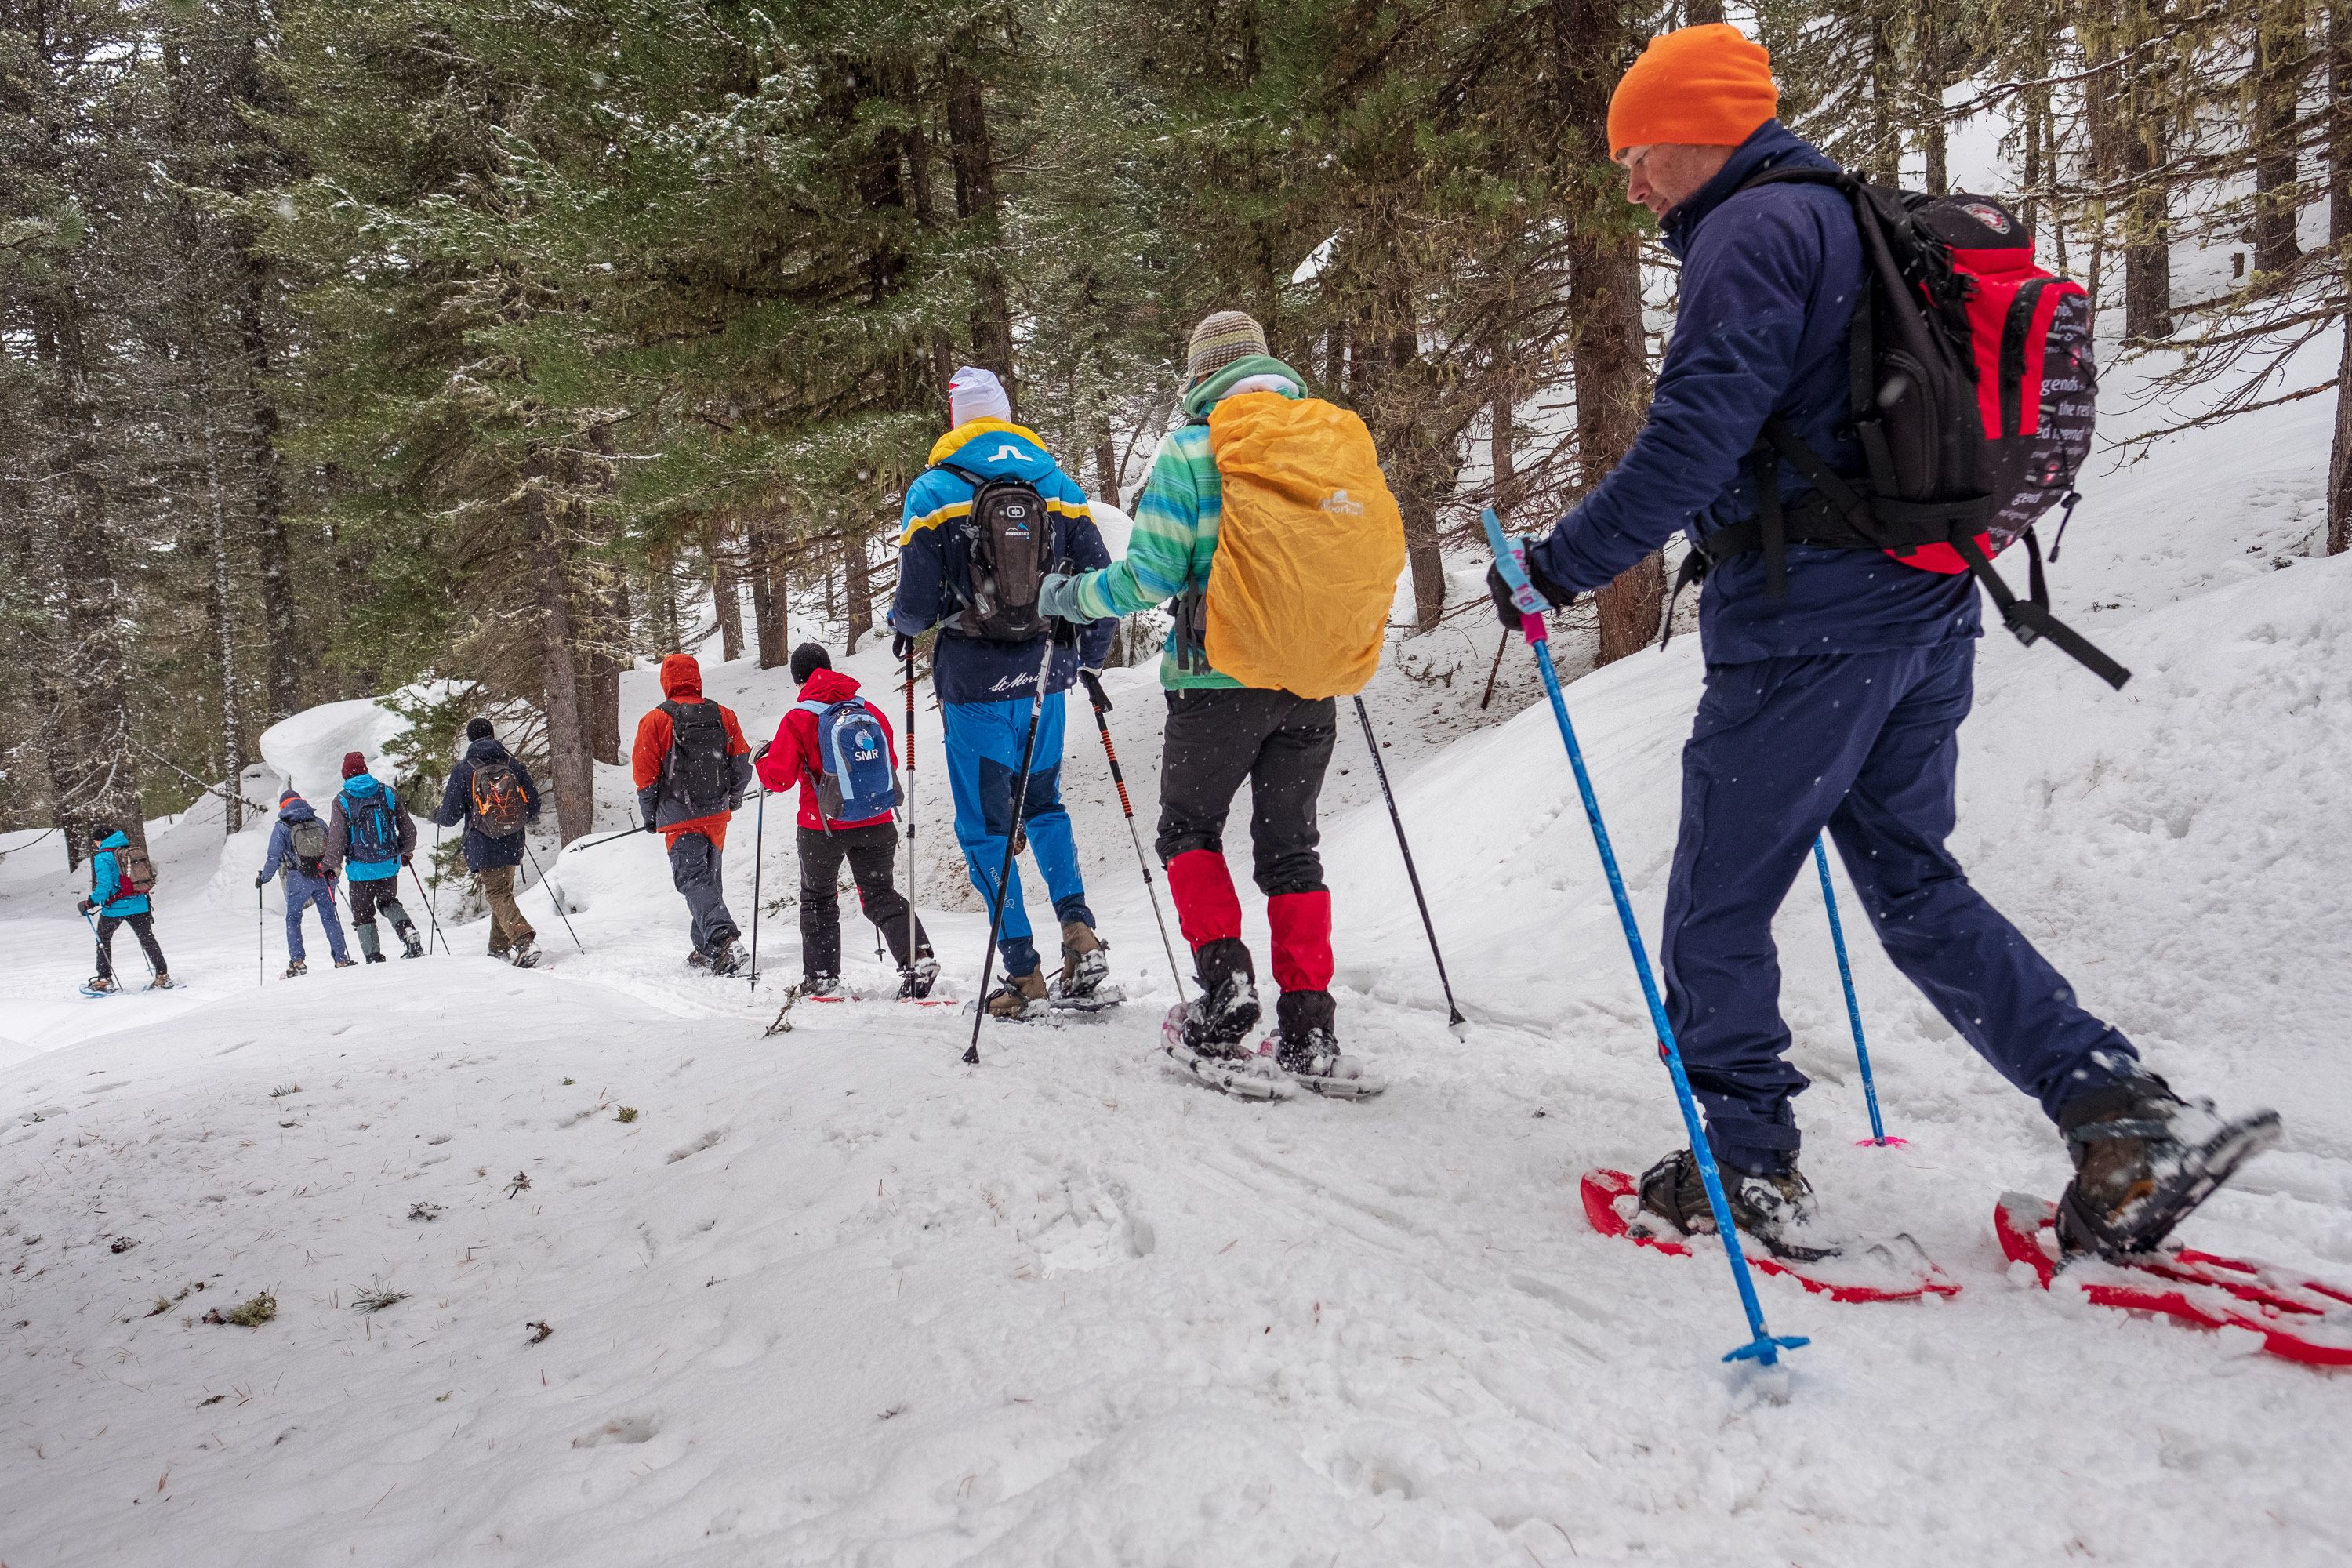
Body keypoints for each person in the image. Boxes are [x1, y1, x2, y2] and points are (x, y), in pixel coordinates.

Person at [1485, 23, 2276, 1259]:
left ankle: (1748, 1164)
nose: (1631, 183)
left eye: (1638, 154)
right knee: (1913, 882)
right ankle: (2121, 1116)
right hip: (1922, 605)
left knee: (1718, 900)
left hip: (1811, 627)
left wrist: (1552, 567)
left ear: (1700, 131)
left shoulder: (1753, 230)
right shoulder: (1846, 213)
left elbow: (1690, 443)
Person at [1037, 310, 1404, 1080]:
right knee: (1293, 850)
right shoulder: (1327, 441)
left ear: (1202, 376)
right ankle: (1310, 1031)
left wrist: (1069, 597)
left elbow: (1147, 578)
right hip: (1311, 682)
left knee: (1189, 830)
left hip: (1216, 683)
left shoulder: (1193, 448)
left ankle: (1226, 993)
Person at [890, 365, 1120, 1018]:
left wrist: (903, 626)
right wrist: (1087, 662)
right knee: (1044, 806)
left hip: (974, 684)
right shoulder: (1057, 484)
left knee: (986, 831)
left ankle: (1023, 970)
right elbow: (1101, 584)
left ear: (958, 422)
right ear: (1007, 416)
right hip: (1046, 676)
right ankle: (1079, 932)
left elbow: (915, 605)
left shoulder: (934, 489)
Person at [755, 642, 935, 998]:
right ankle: (918, 957)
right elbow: (890, 763)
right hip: (876, 820)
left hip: (822, 826)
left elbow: (779, 779)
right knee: (880, 894)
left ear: (799, 679)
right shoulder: (868, 710)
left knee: (818, 899)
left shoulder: (798, 718)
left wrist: (761, 760)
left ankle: (822, 979)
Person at [632, 652, 755, 975]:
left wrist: (650, 815)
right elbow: (743, 764)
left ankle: (724, 940)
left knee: (693, 880)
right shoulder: (724, 714)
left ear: (666, 681)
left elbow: (645, 776)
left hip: (679, 817)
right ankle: (705, 949)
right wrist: (733, 799)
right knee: (708, 879)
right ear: (697, 678)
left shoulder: (655, 720)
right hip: (716, 814)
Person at [432, 717, 543, 967]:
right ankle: (498, 949)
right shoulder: (511, 764)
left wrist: (437, 815)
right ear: (493, 735)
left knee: (497, 893)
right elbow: (534, 804)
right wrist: (512, 819)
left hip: (483, 840)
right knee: (503, 893)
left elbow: (450, 816)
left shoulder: (464, 769)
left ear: (470, 739)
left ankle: (524, 940)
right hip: (512, 839)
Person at [325, 750, 423, 962]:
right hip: (388, 864)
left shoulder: (342, 801)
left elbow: (337, 839)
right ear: (365, 771)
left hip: (361, 870)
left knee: (363, 914)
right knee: (389, 902)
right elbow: (408, 828)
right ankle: (408, 931)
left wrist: (329, 865)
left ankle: (374, 957)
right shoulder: (387, 793)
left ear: (345, 775)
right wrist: (406, 851)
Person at [256, 788, 354, 977]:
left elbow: (274, 857)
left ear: (283, 807)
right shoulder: (317, 821)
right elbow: (333, 846)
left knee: (293, 919)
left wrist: (264, 878)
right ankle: (341, 959)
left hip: (298, 878)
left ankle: (298, 962)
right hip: (323, 875)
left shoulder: (282, 826)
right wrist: (334, 871)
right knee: (329, 917)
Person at [78, 823, 169, 993]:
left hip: (115, 908)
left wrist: (90, 902)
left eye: (96, 841)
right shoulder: (130, 850)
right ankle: (162, 976)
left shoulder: (103, 857)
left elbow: (104, 886)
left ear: (100, 840)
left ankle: (104, 981)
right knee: (147, 939)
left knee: (103, 939)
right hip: (140, 903)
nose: (95, 845)